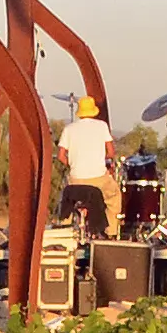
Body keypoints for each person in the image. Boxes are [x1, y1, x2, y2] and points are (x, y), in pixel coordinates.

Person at [58, 96, 116, 233]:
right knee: (114, 198)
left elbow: (61, 156)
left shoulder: (69, 129)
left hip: (75, 180)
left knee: (67, 199)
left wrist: (72, 163)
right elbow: (111, 153)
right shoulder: (102, 126)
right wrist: (100, 160)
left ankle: (65, 230)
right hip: (98, 179)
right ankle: (111, 232)